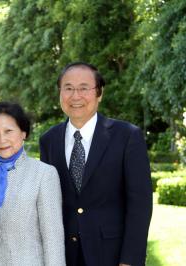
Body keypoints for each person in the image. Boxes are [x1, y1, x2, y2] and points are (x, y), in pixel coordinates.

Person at [39, 62, 153, 266]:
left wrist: (130, 260)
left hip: (111, 255)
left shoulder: (127, 136)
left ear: (99, 93)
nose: (75, 96)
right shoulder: (49, 140)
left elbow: (140, 205)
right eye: (68, 88)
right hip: (63, 256)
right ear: (60, 93)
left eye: (84, 88)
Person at [0, 102, 65, 266]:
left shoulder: (44, 174)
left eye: (9, 131)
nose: (2, 140)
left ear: (23, 132)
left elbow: (53, 239)